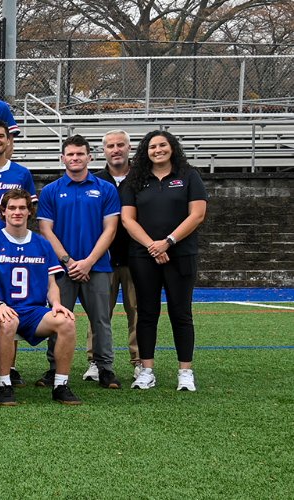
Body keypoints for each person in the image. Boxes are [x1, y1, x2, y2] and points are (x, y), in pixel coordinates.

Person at [119, 130, 207, 392]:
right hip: (144, 256)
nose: (157, 150)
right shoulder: (135, 180)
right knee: (146, 313)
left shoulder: (189, 176)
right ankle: (146, 370)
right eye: (152, 146)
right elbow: (127, 219)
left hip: (180, 254)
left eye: (162, 145)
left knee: (181, 313)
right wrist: (152, 246)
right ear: (145, 151)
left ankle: (185, 372)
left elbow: (197, 215)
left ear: (172, 148)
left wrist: (167, 242)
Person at [37, 135, 122, 389]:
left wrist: (88, 262)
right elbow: (46, 230)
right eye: (70, 154)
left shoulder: (106, 189)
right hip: (61, 269)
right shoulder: (51, 190)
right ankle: (54, 369)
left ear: (89, 157)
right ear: (62, 158)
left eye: (80, 154)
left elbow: (110, 230)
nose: (75, 158)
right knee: (58, 318)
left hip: (97, 267)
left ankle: (105, 369)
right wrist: (68, 260)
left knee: (100, 320)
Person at [0, 189, 83, 405]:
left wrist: (56, 304)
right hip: (5, 308)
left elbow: (51, 284)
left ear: (30, 212)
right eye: (12, 208)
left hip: (34, 311)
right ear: (3, 212)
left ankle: (61, 384)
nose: (17, 212)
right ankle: (4, 384)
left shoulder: (42, 243)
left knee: (66, 322)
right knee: (9, 323)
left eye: (22, 208)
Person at [97, 130, 141, 375]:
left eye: (120, 145)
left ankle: (139, 361)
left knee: (137, 311)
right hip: (104, 258)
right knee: (101, 313)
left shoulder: (142, 179)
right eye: (111, 146)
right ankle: (96, 361)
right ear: (103, 151)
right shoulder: (96, 181)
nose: (116, 149)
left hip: (136, 257)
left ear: (129, 147)